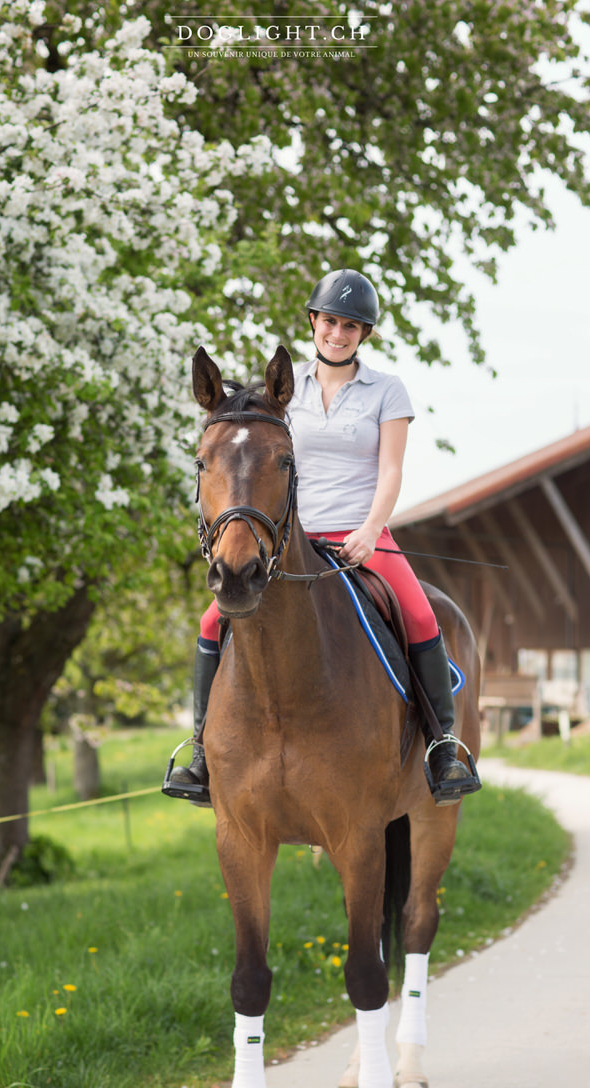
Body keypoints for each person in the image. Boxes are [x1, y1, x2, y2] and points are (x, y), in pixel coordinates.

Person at [164, 268, 481, 807]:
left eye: (351, 326)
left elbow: (391, 472)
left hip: (364, 533)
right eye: (330, 321)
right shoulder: (284, 394)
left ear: (365, 334)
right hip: (294, 539)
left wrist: (370, 531)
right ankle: (199, 752)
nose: (339, 333)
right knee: (212, 618)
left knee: (422, 614)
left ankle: (443, 746)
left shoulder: (387, 390)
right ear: (313, 322)